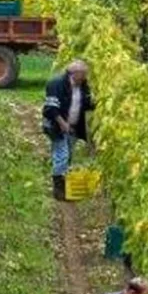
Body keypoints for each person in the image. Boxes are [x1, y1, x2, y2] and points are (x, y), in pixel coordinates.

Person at [43, 59, 95, 200]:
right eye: (84, 74)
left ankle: (65, 185)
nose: (86, 76)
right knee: (62, 154)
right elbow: (50, 109)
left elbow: (88, 104)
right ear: (75, 73)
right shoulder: (56, 84)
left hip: (73, 126)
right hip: (56, 125)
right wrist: (62, 123)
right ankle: (58, 191)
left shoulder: (83, 86)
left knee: (68, 155)